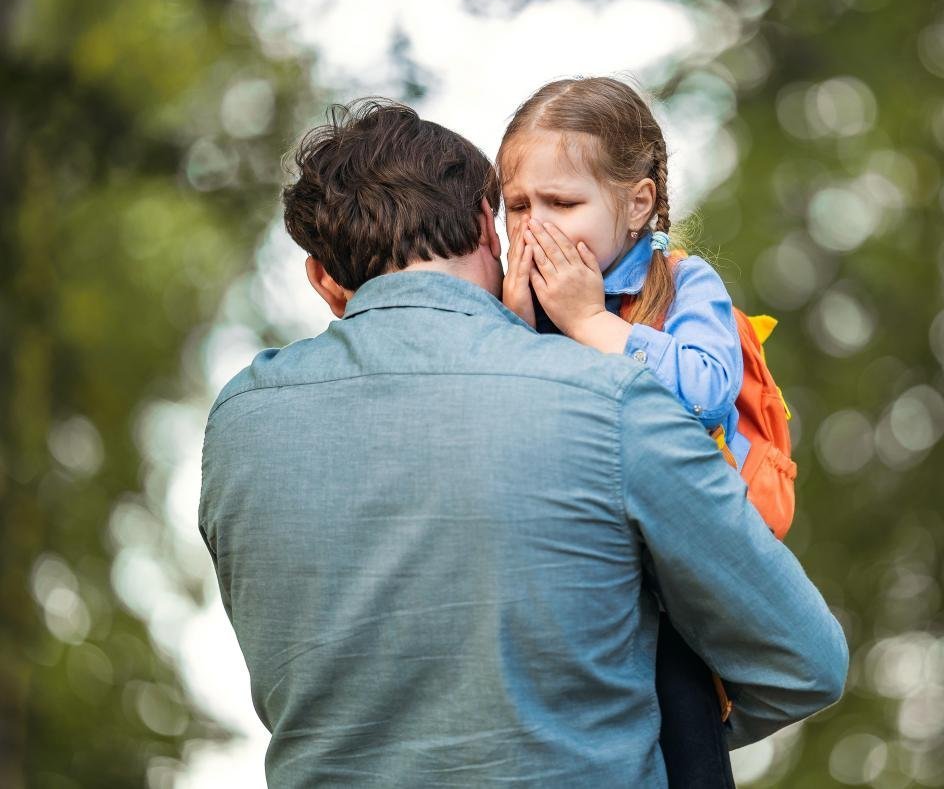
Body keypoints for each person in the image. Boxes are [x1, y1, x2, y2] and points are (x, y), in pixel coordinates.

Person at [198, 98, 848, 788]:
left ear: (323, 278)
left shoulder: (239, 422)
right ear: (489, 223)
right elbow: (805, 661)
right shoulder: (613, 397)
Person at [496, 76, 795, 787]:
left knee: (683, 730)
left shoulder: (687, 286)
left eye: (562, 203)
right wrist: (508, 326)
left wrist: (591, 323)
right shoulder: (513, 301)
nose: (535, 226)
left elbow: (702, 390)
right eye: (516, 205)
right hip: (566, 586)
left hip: (672, 598)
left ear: (638, 203)